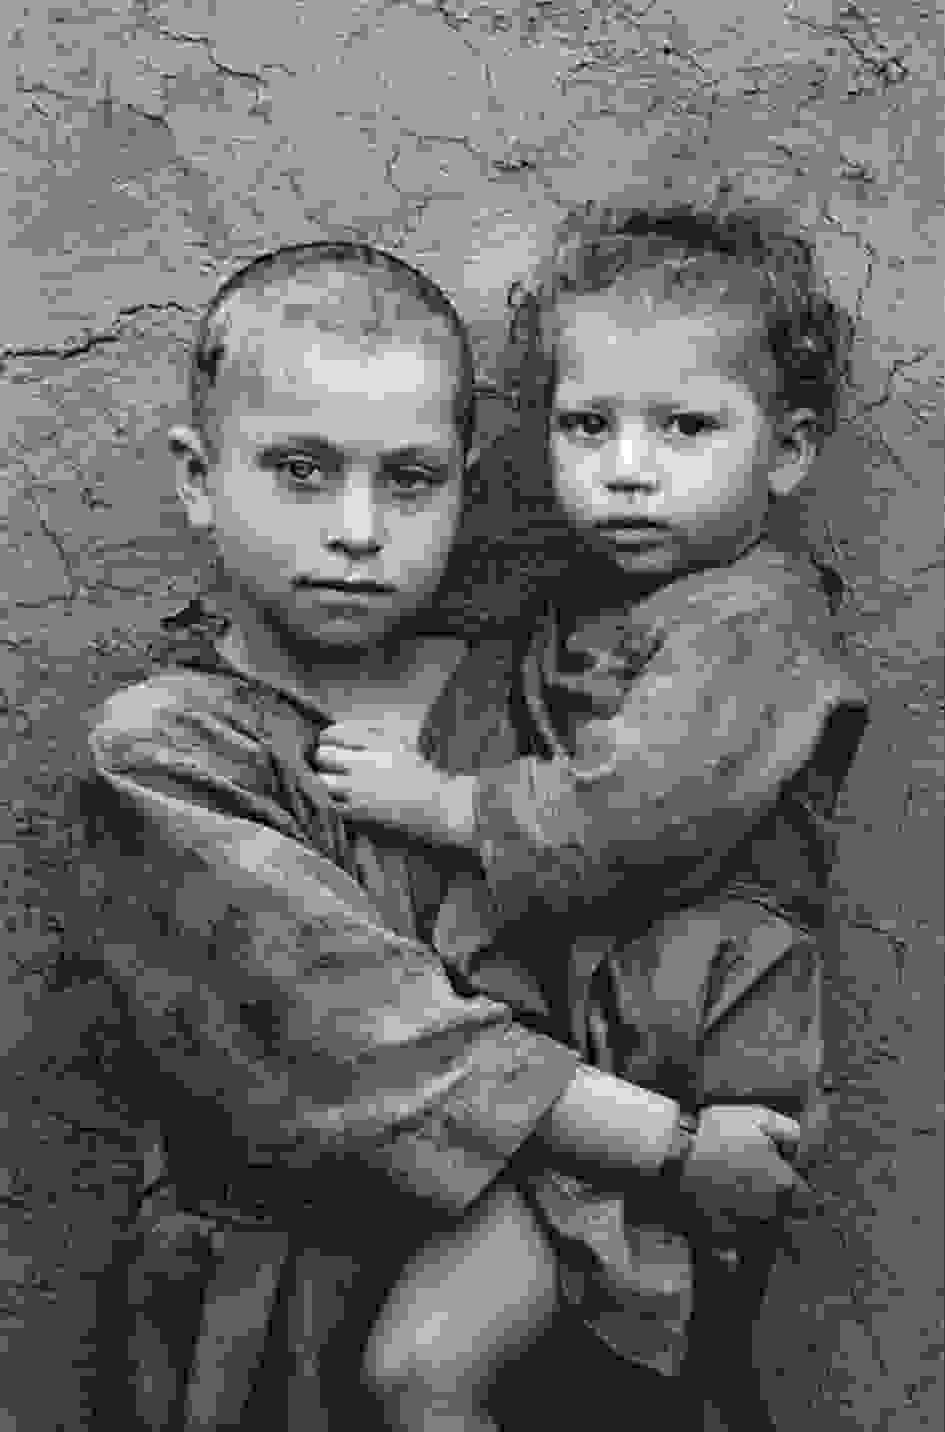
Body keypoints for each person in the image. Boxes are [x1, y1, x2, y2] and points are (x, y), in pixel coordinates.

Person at [78, 239, 808, 1431]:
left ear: (468, 481)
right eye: (301, 471)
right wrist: (676, 1147)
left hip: (553, 1305)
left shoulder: (541, 707)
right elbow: (364, 1029)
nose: (358, 529)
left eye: (410, 480)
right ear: (200, 478)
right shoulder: (164, 754)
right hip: (273, 1326)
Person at [311, 204, 870, 1427]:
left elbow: (634, 816)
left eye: (685, 426)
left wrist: (442, 801)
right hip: (599, 1086)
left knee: (421, 1368)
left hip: (686, 1083)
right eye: (587, 424)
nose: (627, 464)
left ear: (786, 449)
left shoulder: (750, 625)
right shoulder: (599, 612)